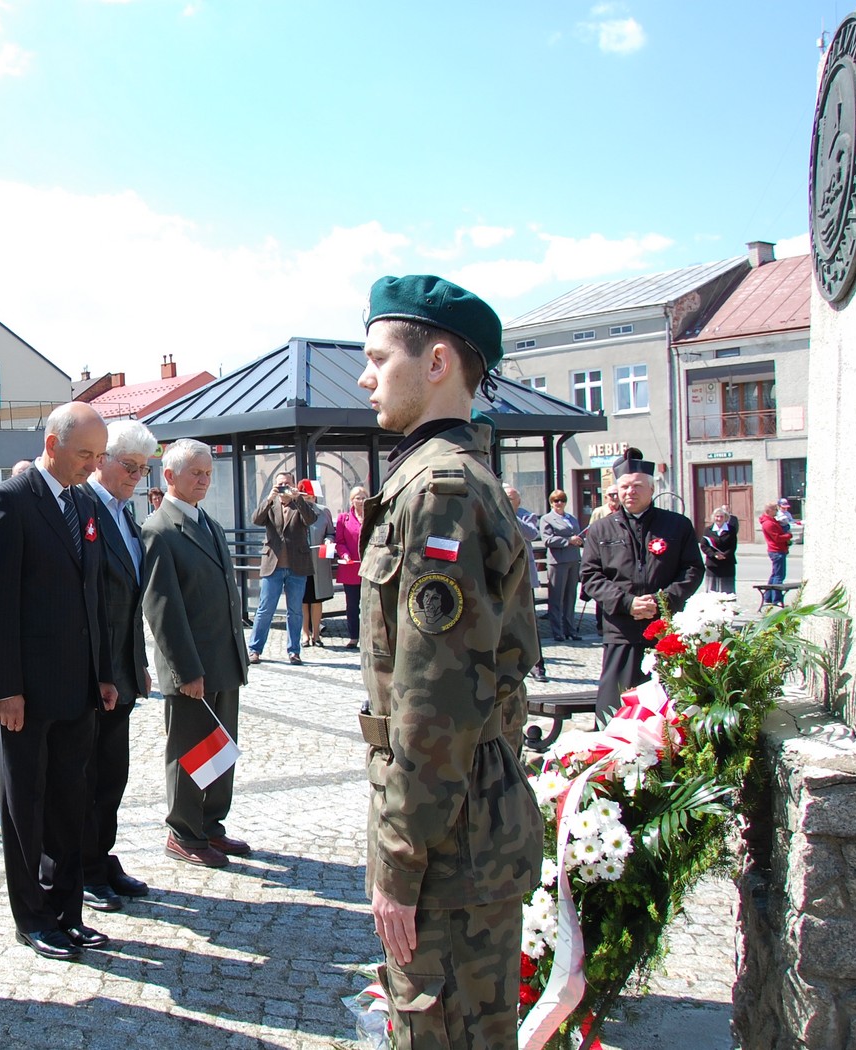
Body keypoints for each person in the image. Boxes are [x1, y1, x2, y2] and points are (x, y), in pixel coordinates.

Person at [354, 275, 542, 1048]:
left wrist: (399, 862)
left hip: (449, 842)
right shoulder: (437, 477)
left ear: (435, 363)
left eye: (377, 359)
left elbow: (435, 700)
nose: (364, 378)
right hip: (456, 829)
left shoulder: (440, 490)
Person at [0, 402, 118, 962]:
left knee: (69, 803)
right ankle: (31, 917)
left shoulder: (83, 501)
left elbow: (93, 593)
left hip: (78, 688)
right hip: (26, 694)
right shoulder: (9, 501)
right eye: (86, 454)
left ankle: (66, 911)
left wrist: (104, 673)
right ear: (52, 445)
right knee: (25, 808)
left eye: (99, 455)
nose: (94, 465)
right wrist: (3, 688)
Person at [140, 438, 252, 869]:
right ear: (169, 476)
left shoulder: (209, 523)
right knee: (190, 751)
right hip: (192, 668)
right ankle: (184, 831)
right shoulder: (159, 530)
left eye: (208, 473)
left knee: (220, 749)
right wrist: (186, 670)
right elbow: (163, 609)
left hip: (223, 660)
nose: (205, 480)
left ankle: (210, 824)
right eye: (196, 473)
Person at [81, 420, 155, 912]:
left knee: (112, 775)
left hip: (123, 669)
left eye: (143, 469)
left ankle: (100, 856)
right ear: (102, 459)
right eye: (129, 466)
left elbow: (129, 604)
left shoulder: (125, 515)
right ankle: (83, 867)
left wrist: (138, 662)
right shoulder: (82, 506)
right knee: (86, 777)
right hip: (92, 672)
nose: (135, 477)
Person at [580, 452, 705, 721]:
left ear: (651, 488)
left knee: (668, 711)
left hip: (664, 630)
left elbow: (693, 569)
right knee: (614, 711)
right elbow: (590, 576)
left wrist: (663, 601)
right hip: (621, 630)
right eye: (624, 486)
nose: (630, 492)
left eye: (637, 486)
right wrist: (627, 603)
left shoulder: (677, 525)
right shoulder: (600, 529)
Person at [247, 470, 317, 665]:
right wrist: (269, 498)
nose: (284, 487)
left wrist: (298, 499)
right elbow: (256, 519)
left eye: (287, 483)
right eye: (280, 484)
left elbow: (311, 520)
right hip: (273, 565)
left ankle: (294, 651)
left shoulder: (300, 504)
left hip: (297, 566)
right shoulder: (271, 504)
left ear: (293, 485)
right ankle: (254, 649)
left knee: (295, 611)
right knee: (265, 609)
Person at [505, 484, 549, 682]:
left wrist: (511, 514)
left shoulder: (525, 516)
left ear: (518, 501)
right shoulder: (491, 513)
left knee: (529, 622)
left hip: (524, 577)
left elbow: (531, 534)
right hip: (502, 575)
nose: (506, 501)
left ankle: (537, 665)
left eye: (510, 498)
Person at [539, 489, 585, 641]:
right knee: (557, 598)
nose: (559, 503)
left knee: (571, 597)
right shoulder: (547, 519)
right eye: (556, 500)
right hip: (558, 561)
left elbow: (577, 534)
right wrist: (568, 541)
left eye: (562, 500)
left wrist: (579, 540)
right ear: (551, 503)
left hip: (573, 559)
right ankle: (557, 631)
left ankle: (570, 630)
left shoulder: (571, 518)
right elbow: (547, 540)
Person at [298, 480, 334, 647]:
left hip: (319, 563)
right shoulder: (296, 510)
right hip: (301, 562)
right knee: (303, 600)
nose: (309, 499)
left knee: (316, 599)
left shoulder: (323, 511)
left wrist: (328, 541)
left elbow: (331, 533)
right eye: (305, 496)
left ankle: (317, 635)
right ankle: (305, 633)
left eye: (311, 496)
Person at [334, 486, 366, 651]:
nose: (361, 501)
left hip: (368, 568)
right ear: (352, 501)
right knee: (352, 605)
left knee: (369, 605)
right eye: (357, 498)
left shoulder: (372, 517)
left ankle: (369, 637)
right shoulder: (343, 519)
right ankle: (354, 637)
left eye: (363, 498)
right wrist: (344, 554)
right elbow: (339, 542)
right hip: (351, 568)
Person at [759, 502, 793, 604]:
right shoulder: (768, 523)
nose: (777, 511)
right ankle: (776, 599)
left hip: (778, 549)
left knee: (775, 575)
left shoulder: (772, 520)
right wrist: (789, 536)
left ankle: (768, 597)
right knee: (779, 576)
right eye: (775, 509)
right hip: (776, 550)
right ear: (769, 511)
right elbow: (777, 538)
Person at [701, 505, 739, 594]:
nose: (719, 519)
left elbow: (733, 546)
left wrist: (724, 555)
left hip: (727, 563)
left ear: (725, 518)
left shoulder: (731, 529)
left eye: (721, 516)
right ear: (714, 517)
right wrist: (714, 554)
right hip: (712, 563)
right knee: (712, 589)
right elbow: (704, 546)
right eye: (717, 516)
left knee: (727, 590)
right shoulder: (708, 530)